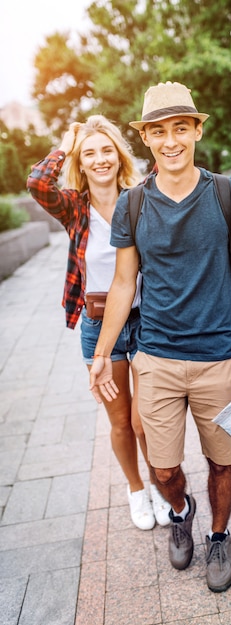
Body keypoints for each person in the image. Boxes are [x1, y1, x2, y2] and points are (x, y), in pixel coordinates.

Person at [89, 82, 231, 593]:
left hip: (218, 357)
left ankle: (219, 534)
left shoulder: (225, 192)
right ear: (147, 138)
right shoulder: (132, 205)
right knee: (164, 467)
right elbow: (124, 283)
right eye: (159, 131)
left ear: (197, 130)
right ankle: (180, 509)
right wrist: (103, 353)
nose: (171, 141)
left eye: (180, 128)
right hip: (156, 358)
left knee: (222, 460)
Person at [27, 115, 170, 531]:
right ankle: (136, 489)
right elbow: (38, 183)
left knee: (146, 420)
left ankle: (163, 485)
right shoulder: (73, 206)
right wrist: (70, 139)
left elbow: (168, 160)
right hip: (97, 325)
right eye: (90, 153)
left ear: (118, 155)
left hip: (146, 322)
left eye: (106, 149)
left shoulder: (140, 198)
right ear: (81, 161)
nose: (100, 158)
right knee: (121, 421)